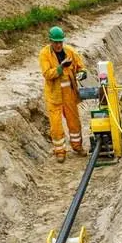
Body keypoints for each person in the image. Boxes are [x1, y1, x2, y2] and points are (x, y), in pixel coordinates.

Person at [38, 26, 88, 162]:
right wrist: (61, 68)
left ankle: (77, 146)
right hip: (54, 95)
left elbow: (80, 66)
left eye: (60, 42)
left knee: (74, 122)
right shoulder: (44, 54)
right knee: (56, 125)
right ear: (50, 41)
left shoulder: (70, 52)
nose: (59, 45)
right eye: (56, 42)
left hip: (69, 94)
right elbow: (47, 74)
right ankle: (60, 151)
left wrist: (82, 73)